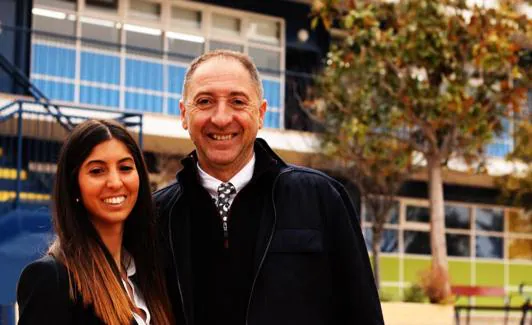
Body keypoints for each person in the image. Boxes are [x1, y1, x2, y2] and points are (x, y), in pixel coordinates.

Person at [154, 49, 384, 325]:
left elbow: (362, 313)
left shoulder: (320, 198)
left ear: (261, 113)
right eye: (205, 101)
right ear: (184, 114)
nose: (222, 118)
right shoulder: (156, 215)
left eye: (238, 102)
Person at [17, 119, 174, 325]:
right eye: (97, 171)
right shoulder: (52, 278)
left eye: (125, 167)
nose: (115, 182)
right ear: (74, 186)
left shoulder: (150, 274)